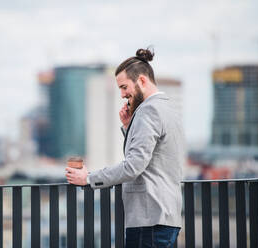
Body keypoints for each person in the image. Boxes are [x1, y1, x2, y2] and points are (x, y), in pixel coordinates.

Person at [65, 47, 184, 248]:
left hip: (149, 220)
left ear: (142, 81)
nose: (122, 94)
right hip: (166, 217)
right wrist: (129, 127)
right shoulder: (167, 108)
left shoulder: (148, 111)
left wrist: (87, 178)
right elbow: (156, 157)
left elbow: (133, 166)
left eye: (124, 87)